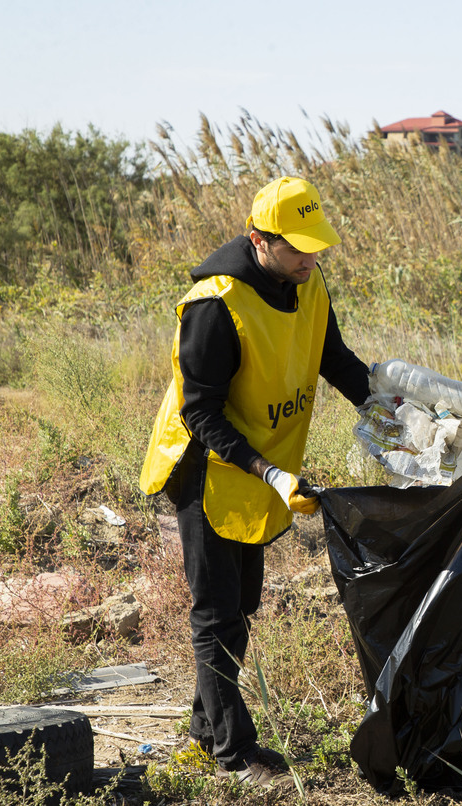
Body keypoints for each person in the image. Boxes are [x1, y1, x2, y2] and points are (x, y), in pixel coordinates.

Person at [139, 177, 371, 787]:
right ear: (258, 240)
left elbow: (334, 358)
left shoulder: (306, 280)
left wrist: (393, 410)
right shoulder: (215, 304)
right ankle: (232, 751)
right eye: (297, 248)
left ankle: (204, 729)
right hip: (209, 465)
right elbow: (200, 413)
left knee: (241, 604)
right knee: (216, 610)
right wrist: (268, 470)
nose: (310, 258)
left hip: (261, 465)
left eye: (315, 246)